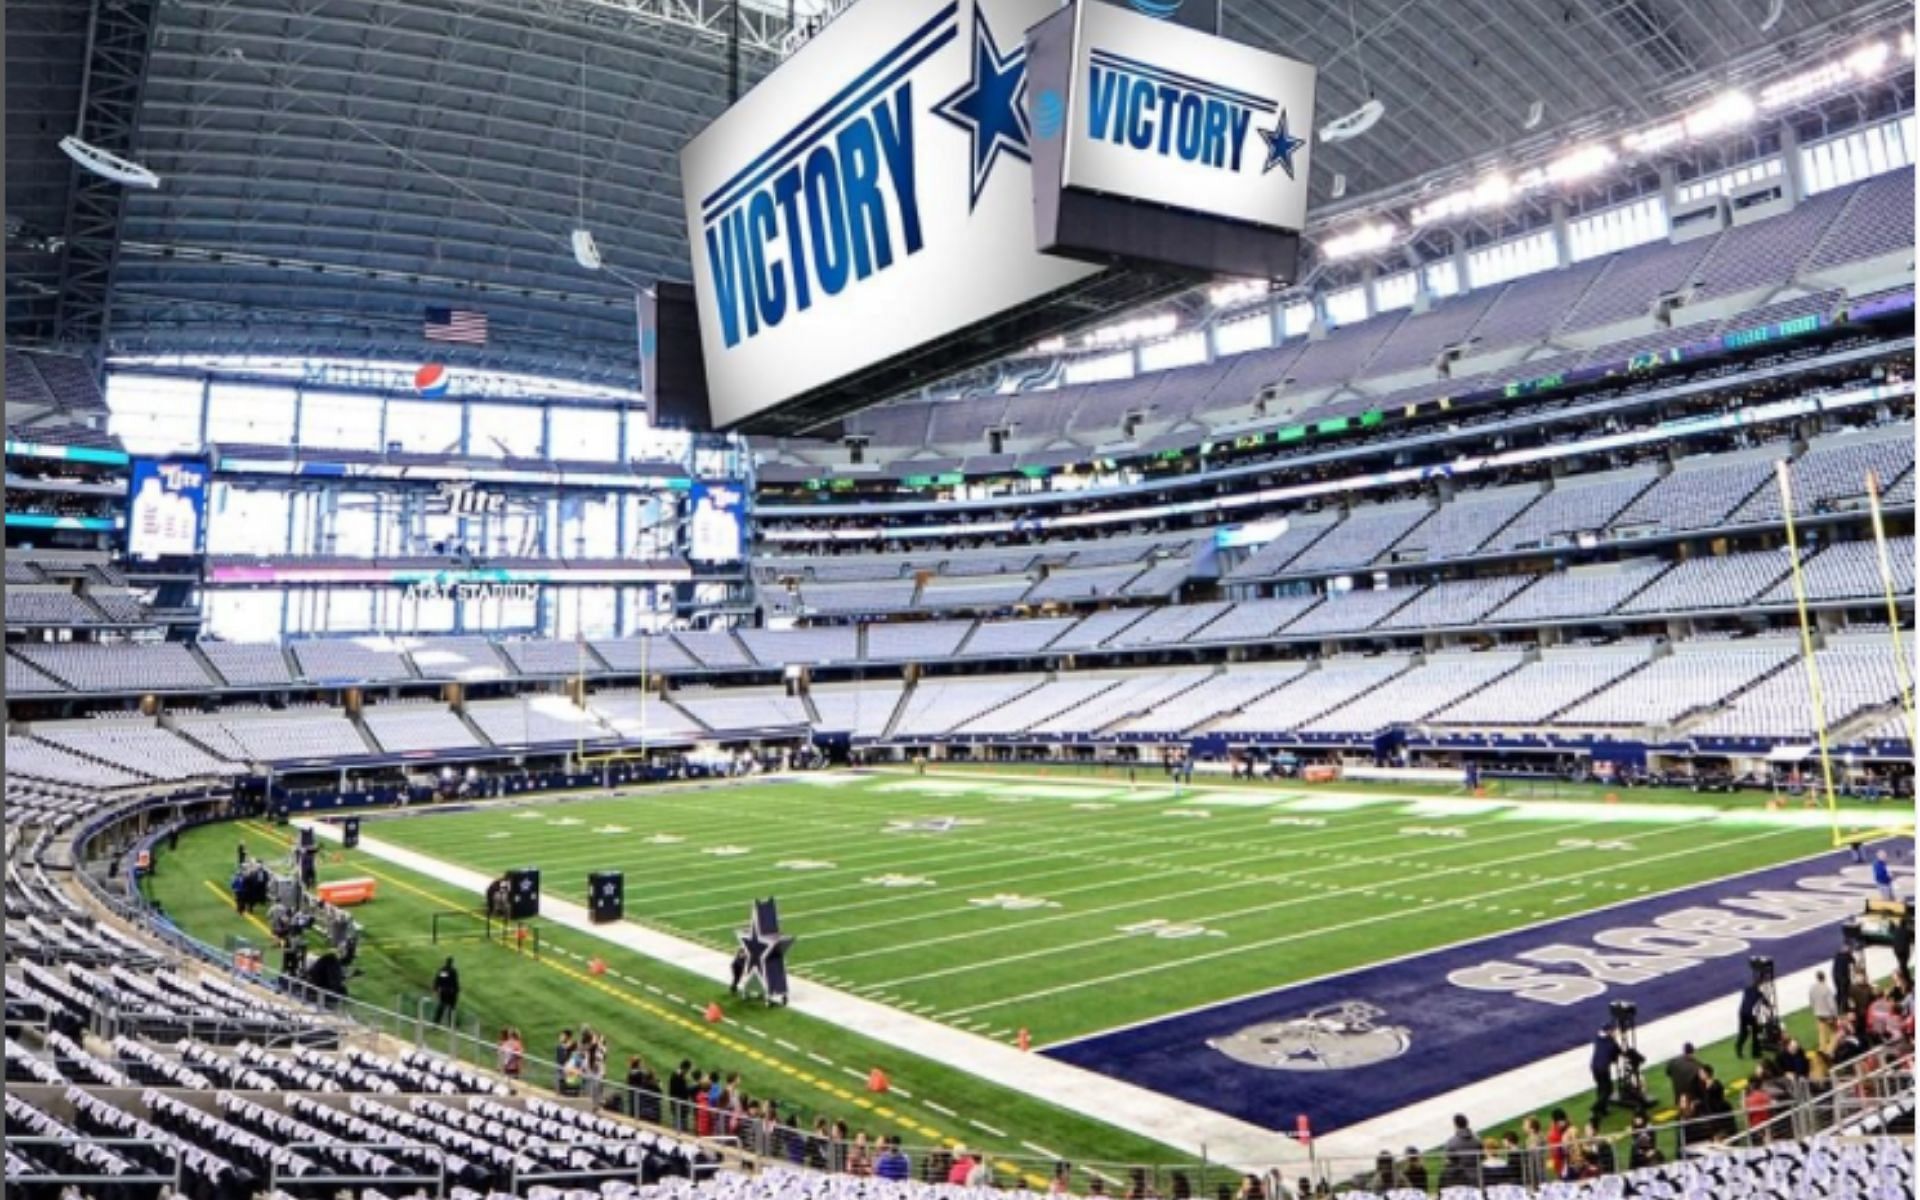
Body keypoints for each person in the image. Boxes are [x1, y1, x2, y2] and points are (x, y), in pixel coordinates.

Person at [1589, 1025, 1620, 1119]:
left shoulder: (1598, 1039)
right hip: (1603, 1068)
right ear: (1610, 1032)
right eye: (1614, 1031)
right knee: (1608, 1090)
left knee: (1600, 1087)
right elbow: (1616, 1055)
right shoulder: (1612, 1043)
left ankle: (1603, 1109)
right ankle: (1595, 1108)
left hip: (1594, 1067)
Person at [1440, 1114, 1479, 1189]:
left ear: (1455, 1125)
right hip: (1478, 1176)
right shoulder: (1477, 1140)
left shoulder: (1451, 1142)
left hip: (1460, 1180)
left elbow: (1448, 1162)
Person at [1663, 1042, 1704, 1108]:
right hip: (1693, 1099)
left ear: (1684, 1051)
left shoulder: (1673, 1062)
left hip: (1679, 1099)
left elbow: (1668, 1073)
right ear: (1693, 1051)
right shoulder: (1698, 1065)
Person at [1735, 977, 1766, 1058]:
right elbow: (1764, 1001)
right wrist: (1770, 1006)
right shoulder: (1759, 993)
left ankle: (1739, 1049)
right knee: (1756, 1032)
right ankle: (1755, 1053)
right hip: (1749, 1014)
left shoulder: (1747, 989)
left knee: (1744, 1032)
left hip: (1742, 1013)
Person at [1811, 970, 1840, 1053]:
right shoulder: (1827, 989)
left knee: (1821, 1034)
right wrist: (1835, 1015)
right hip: (1828, 1015)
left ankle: (1822, 1051)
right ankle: (1829, 1051)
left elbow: (1812, 1002)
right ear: (1824, 978)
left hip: (1818, 1015)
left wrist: (1815, 1011)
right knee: (1834, 1034)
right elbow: (1832, 1004)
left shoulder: (1812, 989)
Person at [626, 1055, 660, 1124]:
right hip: (638, 1096)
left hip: (632, 1094)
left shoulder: (631, 1073)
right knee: (637, 1112)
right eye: (640, 1063)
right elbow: (646, 1080)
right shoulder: (639, 1074)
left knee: (632, 1110)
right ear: (637, 1064)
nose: (642, 1064)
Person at [1743, 1065, 1774, 1139]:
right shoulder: (1766, 1095)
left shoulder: (1749, 1098)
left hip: (1756, 1126)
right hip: (1767, 1125)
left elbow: (1746, 1113)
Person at [431, 957, 460, 1025]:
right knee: (451, 1009)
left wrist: (435, 988)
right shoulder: (453, 971)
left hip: (444, 991)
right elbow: (455, 982)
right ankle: (451, 1024)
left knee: (441, 1007)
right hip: (451, 993)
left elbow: (438, 979)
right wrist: (457, 990)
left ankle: (436, 1022)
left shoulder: (443, 970)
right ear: (452, 963)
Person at [667, 1060, 693, 1132]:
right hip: (679, 1105)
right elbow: (683, 1092)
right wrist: (690, 1089)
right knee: (680, 1126)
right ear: (685, 1068)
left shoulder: (675, 1074)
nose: (688, 1072)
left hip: (675, 1103)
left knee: (677, 1123)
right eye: (688, 1070)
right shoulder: (679, 1076)